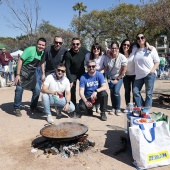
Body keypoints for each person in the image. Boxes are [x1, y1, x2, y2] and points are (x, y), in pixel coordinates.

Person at [14, 37, 46, 117]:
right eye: (39, 44)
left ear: (45, 46)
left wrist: (43, 74)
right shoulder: (29, 50)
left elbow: (42, 62)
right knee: (19, 88)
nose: (41, 46)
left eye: (43, 45)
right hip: (21, 71)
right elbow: (20, 60)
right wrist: (17, 75)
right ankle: (17, 108)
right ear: (36, 44)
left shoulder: (42, 53)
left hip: (31, 73)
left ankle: (33, 107)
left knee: (37, 89)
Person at [133, 33, 160, 108]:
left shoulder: (151, 49)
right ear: (137, 40)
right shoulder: (135, 49)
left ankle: (146, 110)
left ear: (145, 39)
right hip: (139, 75)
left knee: (148, 93)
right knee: (135, 91)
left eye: (142, 37)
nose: (140, 39)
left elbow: (157, 61)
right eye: (138, 38)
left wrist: (152, 71)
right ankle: (141, 107)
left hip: (149, 74)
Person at [64, 37, 89, 116]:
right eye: (74, 44)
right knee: (72, 89)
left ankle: (84, 105)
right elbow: (67, 68)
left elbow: (92, 53)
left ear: (80, 44)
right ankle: (73, 108)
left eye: (77, 44)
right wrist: (71, 80)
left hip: (81, 72)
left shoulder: (83, 50)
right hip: (72, 73)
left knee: (85, 88)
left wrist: (105, 52)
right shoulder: (68, 54)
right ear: (71, 45)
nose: (75, 45)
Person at [104, 41, 127, 116]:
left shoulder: (122, 57)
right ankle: (113, 108)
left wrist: (118, 79)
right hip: (110, 77)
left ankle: (118, 108)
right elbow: (106, 67)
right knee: (112, 92)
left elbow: (124, 70)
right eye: (112, 48)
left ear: (118, 48)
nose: (114, 50)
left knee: (116, 92)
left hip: (119, 77)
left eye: (116, 48)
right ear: (110, 49)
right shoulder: (108, 57)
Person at [85, 43, 106, 113]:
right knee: (92, 88)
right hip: (91, 73)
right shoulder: (88, 56)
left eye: (98, 48)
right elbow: (87, 65)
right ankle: (93, 104)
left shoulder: (103, 56)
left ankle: (98, 106)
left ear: (100, 50)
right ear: (92, 49)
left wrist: (100, 73)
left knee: (99, 90)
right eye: (94, 48)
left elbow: (106, 66)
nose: (96, 50)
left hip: (100, 73)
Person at [119, 39, 135, 106]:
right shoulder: (119, 54)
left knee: (135, 91)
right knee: (127, 91)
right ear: (122, 45)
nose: (126, 46)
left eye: (128, 45)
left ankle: (135, 107)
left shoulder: (133, 52)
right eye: (124, 44)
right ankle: (128, 106)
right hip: (125, 76)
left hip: (134, 75)